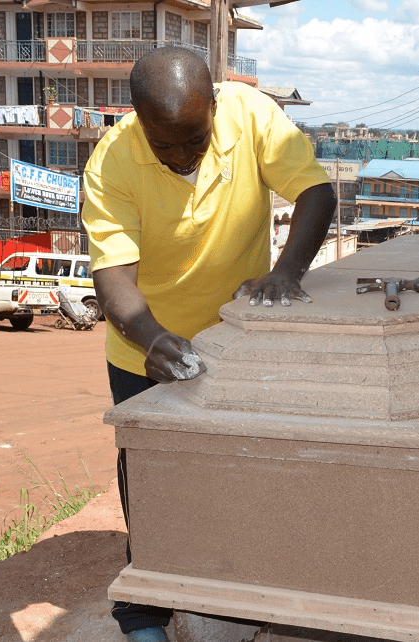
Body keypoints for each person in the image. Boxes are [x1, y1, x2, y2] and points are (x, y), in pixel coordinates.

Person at [81, 47, 336, 642]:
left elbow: (316, 193)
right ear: (139, 121)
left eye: (193, 140)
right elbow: (113, 277)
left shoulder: (250, 115)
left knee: (241, 472)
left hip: (237, 342)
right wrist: (149, 336)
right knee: (149, 489)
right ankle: (144, 615)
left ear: (214, 107)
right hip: (146, 350)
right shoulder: (111, 162)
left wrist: (288, 270)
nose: (179, 157)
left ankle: (235, 592)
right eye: (162, 145)